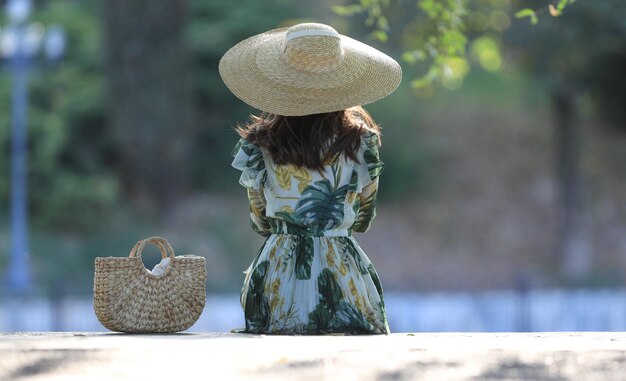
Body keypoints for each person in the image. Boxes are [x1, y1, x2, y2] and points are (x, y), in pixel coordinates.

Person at [219, 22, 401, 334]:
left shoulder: (258, 143)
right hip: (342, 273)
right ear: (341, 80)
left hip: (280, 274)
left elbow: (261, 221)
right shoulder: (362, 143)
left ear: (280, 80)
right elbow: (363, 220)